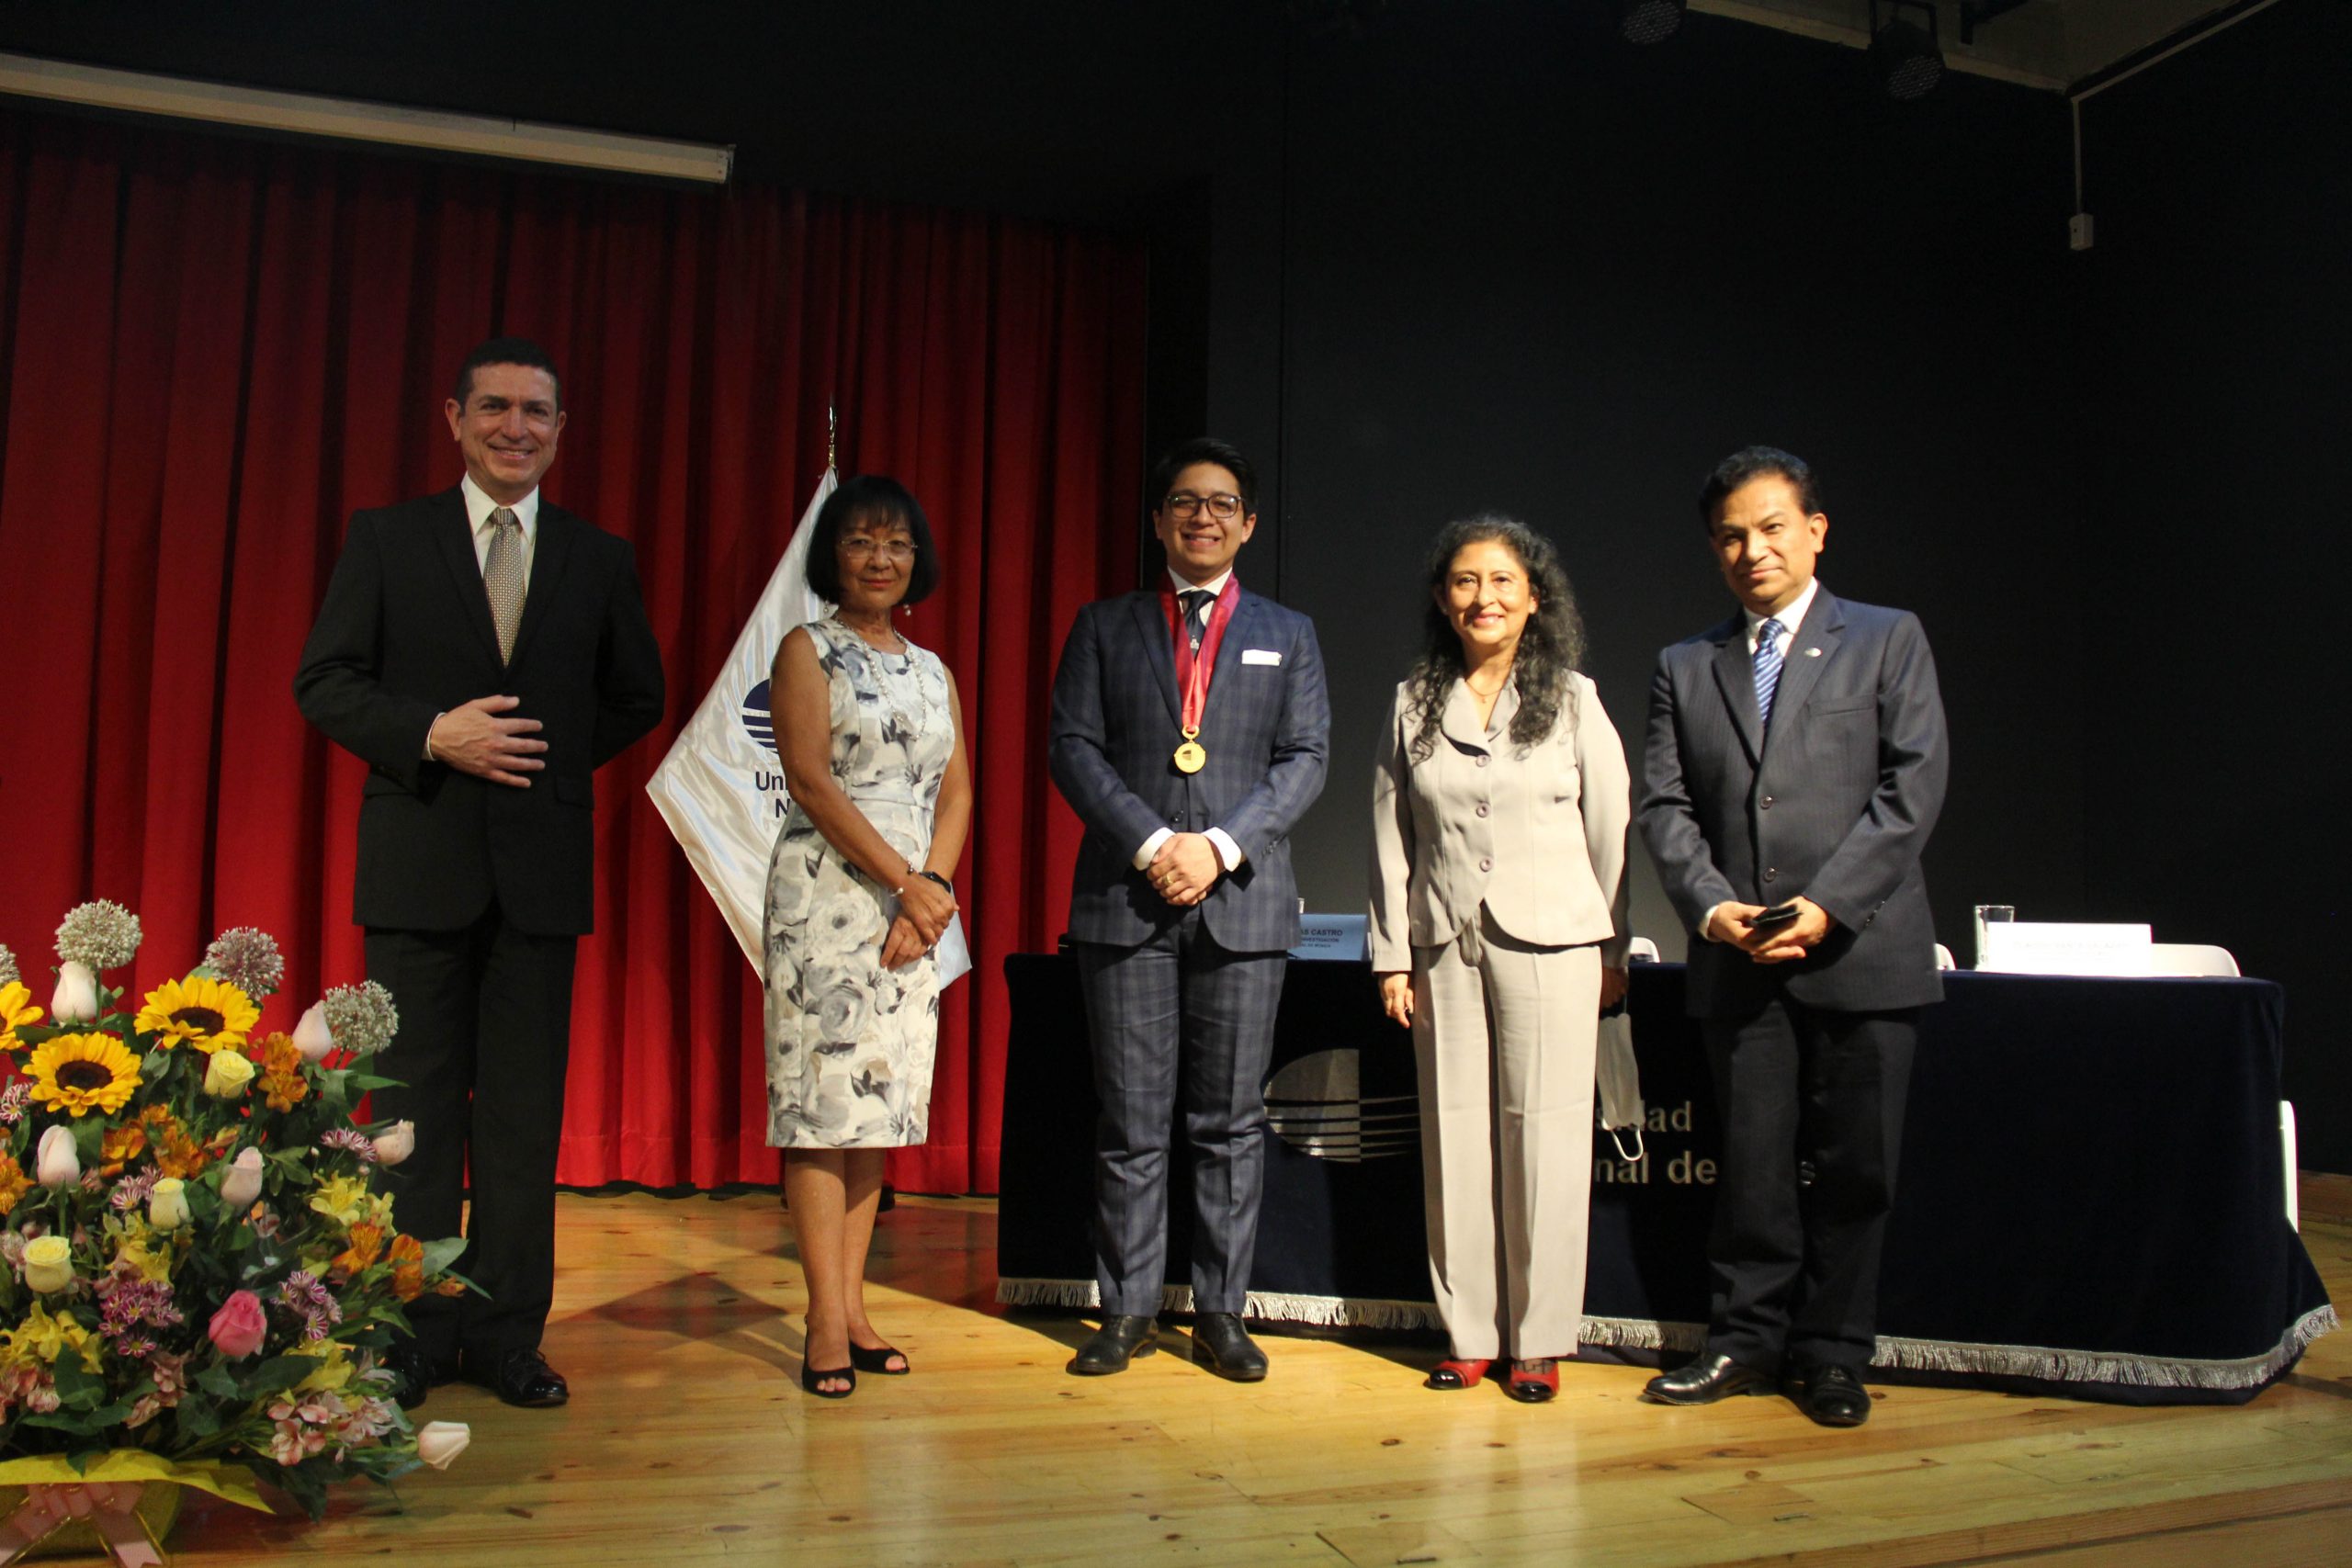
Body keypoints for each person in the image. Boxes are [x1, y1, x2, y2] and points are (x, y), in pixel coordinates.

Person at [294, 337, 666, 1409]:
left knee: (519, 1126)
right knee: (411, 1121)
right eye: (495, 407)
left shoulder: (598, 556)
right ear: (454, 419)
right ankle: (407, 1334)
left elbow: (635, 696)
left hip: (539, 878)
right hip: (418, 867)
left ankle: (505, 1339)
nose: (516, 427)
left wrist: (540, 766)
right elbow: (325, 680)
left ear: (561, 429)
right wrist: (434, 736)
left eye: (536, 411)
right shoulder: (387, 538)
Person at [1636, 446, 1948, 1427]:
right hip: (1738, 957)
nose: (1752, 549)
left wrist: (1827, 906)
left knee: (1858, 1171)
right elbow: (1664, 806)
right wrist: (1710, 908)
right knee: (1751, 1168)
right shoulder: (1685, 665)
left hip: (1863, 949)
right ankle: (1742, 1341)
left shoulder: (1888, 637)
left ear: (1815, 530)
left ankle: (1833, 1355)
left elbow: (1912, 788)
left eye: (1771, 527)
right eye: (1730, 535)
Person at [1046, 436, 1330, 1382]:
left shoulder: (1289, 633)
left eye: (1220, 503)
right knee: (1130, 1122)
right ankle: (1125, 1311)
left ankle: (1221, 1314)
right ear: (1158, 520)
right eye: (1183, 501)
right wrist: (1152, 842)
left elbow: (1305, 759)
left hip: (1242, 905)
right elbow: (1073, 748)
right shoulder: (1103, 625)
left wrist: (1217, 847)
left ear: (1247, 524)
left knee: (1228, 1124)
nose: (1201, 516)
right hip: (1125, 901)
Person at [1368, 515, 1632, 1403]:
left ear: (1534, 598)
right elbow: (1389, 834)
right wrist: (1392, 955)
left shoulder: (1576, 699)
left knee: (1545, 1139)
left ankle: (1540, 1339)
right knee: (1454, 1140)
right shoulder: (1412, 701)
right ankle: (1470, 1333)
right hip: (1444, 944)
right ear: (1444, 600)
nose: (1484, 597)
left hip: (1555, 942)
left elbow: (1611, 829)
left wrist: (1611, 945)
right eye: (1465, 581)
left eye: (1502, 581)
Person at [763, 475, 971, 1400]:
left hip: (915, 909)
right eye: (860, 542)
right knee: (820, 1110)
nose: (880, 559)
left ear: (916, 559)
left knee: (874, 1109)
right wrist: (905, 882)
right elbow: (811, 780)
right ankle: (820, 1320)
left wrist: (934, 890)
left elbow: (957, 792)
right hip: (828, 898)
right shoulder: (806, 650)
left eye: (896, 543)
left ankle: (852, 1309)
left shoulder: (933, 670)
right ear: (832, 556)